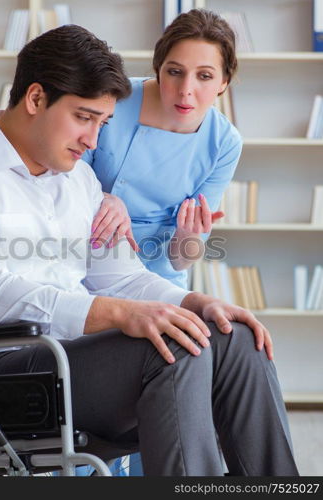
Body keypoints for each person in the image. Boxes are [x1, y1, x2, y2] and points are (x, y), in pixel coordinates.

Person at [0, 24, 298, 476]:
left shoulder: (76, 179)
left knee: (232, 336)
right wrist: (120, 314)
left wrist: (196, 302)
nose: (93, 141)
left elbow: (122, 277)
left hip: (66, 361)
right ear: (35, 99)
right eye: (84, 118)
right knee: (175, 347)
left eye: (102, 123)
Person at [83, 9, 243, 474]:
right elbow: (60, 172)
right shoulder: (116, 101)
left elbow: (184, 255)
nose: (185, 89)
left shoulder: (223, 141)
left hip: (162, 273)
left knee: (175, 376)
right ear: (157, 70)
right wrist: (101, 195)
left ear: (224, 84)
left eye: (204, 76)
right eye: (174, 72)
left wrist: (191, 239)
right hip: (92, 255)